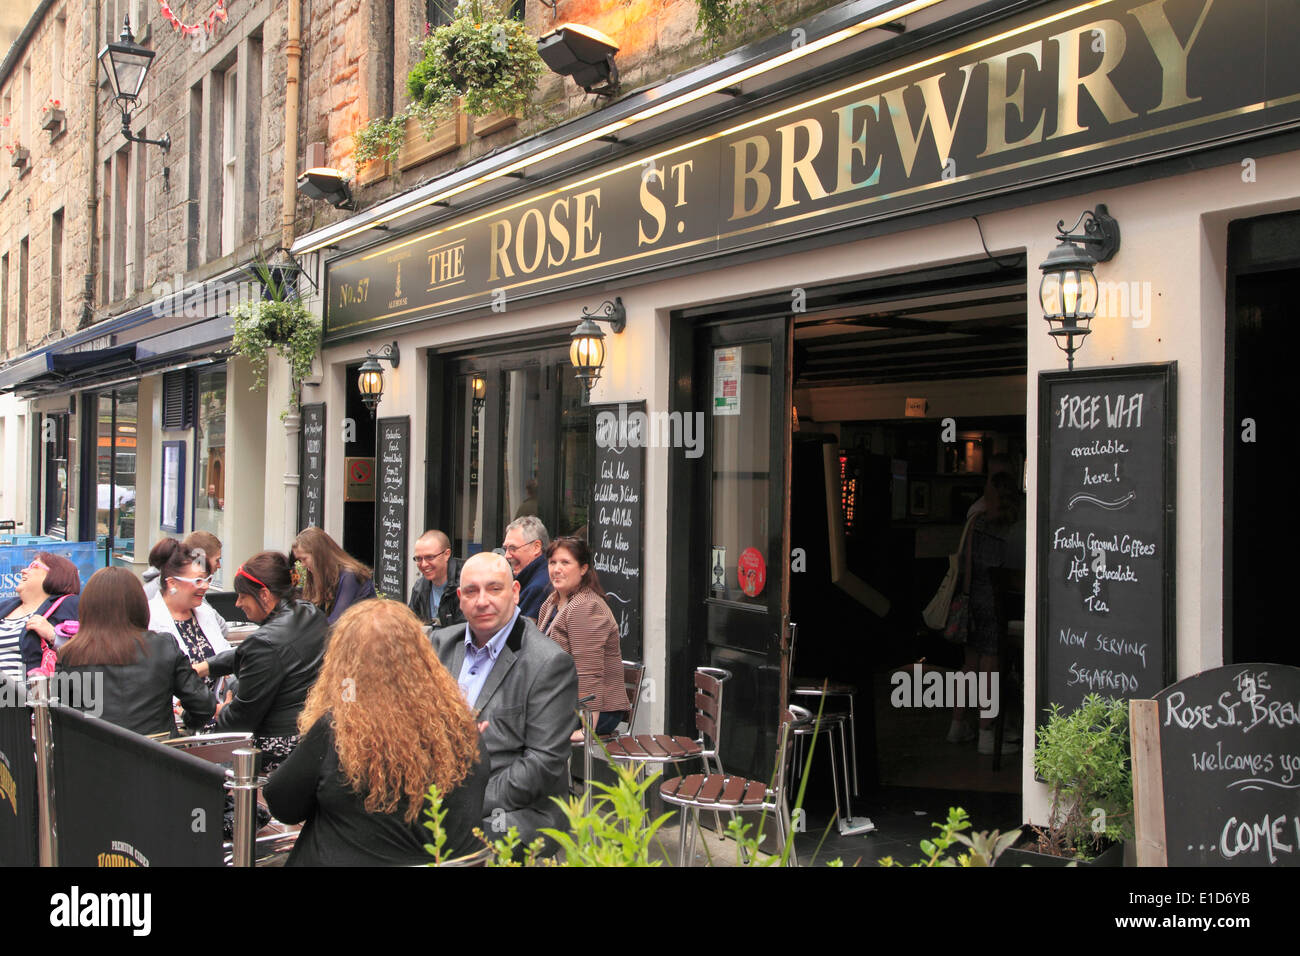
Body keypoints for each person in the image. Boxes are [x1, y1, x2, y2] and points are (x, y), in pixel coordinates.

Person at [264, 601, 488, 865]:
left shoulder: (337, 731)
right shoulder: (464, 729)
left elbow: (283, 806)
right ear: (421, 657)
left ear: (343, 662)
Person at [430, 552, 577, 851]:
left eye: (494, 588)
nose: (482, 600)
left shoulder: (548, 663)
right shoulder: (439, 646)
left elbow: (542, 765)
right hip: (436, 794)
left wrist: (463, 803)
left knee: (450, 843)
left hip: (514, 809)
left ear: (514, 592)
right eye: (471, 591)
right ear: (459, 598)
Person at [200, 551, 329, 772]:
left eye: (242, 596)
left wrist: (213, 714)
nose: (238, 603)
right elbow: (274, 650)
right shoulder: (310, 613)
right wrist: (208, 666)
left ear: (265, 594)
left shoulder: (263, 643)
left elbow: (241, 719)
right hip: (317, 735)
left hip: (278, 746)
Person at [56, 567, 214, 736]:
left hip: (94, 756)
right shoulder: (163, 646)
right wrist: (186, 724)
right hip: (157, 755)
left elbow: (63, 718)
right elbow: (203, 705)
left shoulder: (70, 654)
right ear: (139, 604)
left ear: (87, 608)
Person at [948, 471, 1022, 755]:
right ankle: (986, 735)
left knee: (969, 666)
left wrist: (966, 600)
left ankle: (957, 725)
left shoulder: (975, 522)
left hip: (972, 599)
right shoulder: (1016, 527)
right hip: (998, 604)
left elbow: (963, 564)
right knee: (990, 669)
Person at [537, 536, 630, 740]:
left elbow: (589, 672)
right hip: (561, 704)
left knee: (518, 725)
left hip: (595, 712)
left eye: (565, 562)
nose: (556, 569)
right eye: (552, 562)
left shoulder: (585, 607)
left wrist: (587, 729)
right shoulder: (551, 602)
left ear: (583, 568)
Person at [146, 538, 231, 701]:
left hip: (216, 715)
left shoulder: (205, 613)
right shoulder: (149, 618)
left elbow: (225, 655)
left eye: (207, 580)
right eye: (198, 580)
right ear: (172, 583)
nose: (205, 586)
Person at [0, 552, 81, 682]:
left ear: (55, 575)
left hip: (23, 696)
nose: (23, 571)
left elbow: (88, 652)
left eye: (34, 566)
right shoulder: (5, 607)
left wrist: (54, 636)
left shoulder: (68, 605)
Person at [291, 526, 376, 625]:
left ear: (318, 554)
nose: (303, 565)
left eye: (304, 559)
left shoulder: (349, 576)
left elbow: (336, 622)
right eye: (300, 561)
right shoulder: (322, 575)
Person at [407, 529, 463, 628]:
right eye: (419, 559)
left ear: (447, 554)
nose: (424, 564)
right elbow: (410, 627)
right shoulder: (419, 588)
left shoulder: (466, 584)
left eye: (430, 557)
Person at [501, 515, 552, 621]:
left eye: (513, 548)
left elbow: (521, 633)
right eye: (505, 548)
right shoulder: (534, 579)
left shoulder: (537, 588)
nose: (507, 555)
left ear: (536, 547)